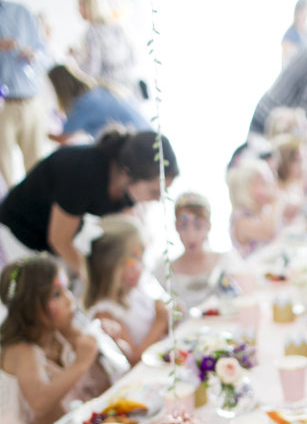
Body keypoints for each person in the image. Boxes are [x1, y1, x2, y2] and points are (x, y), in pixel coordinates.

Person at [0, 129, 178, 283]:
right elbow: (59, 240)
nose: (158, 199)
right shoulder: (82, 173)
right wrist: (95, 282)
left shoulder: (127, 189)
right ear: (127, 175)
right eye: (154, 192)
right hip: (19, 232)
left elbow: (129, 233)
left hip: (59, 234)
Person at [0, 255, 103, 424]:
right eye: (56, 294)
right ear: (31, 306)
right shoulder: (23, 350)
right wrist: (80, 363)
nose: (69, 299)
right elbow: (39, 403)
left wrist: (79, 339)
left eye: (66, 289)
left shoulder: (56, 335)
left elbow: (102, 386)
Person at [84, 216, 168, 365]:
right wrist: (160, 321)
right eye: (135, 257)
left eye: (142, 255)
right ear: (113, 267)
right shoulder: (105, 313)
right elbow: (133, 359)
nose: (141, 264)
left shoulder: (139, 289)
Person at [157, 192, 236, 314]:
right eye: (183, 226)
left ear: (208, 226)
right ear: (176, 227)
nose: (191, 235)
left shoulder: (226, 260)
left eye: (198, 226)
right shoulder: (164, 270)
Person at [0, 0, 50, 187]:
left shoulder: (21, 12)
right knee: (4, 170)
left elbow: (45, 54)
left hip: (30, 100)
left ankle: (36, 210)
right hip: (3, 106)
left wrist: (33, 55)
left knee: (36, 165)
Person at [47, 64, 150, 143]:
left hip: (134, 143)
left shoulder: (83, 103)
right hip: (150, 136)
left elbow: (63, 138)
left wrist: (43, 133)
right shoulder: (102, 89)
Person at [69, 0, 138, 98]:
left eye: (80, 7)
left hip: (109, 89)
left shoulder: (92, 33)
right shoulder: (116, 26)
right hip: (129, 86)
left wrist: (76, 58)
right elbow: (133, 58)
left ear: (89, 7)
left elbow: (92, 69)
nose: (78, 11)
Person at [226, 158, 285, 257]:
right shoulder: (240, 219)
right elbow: (267, 232)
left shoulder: (262, 211)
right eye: (264, 184)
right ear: (246, 191)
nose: (271, 187)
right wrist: (277, 202)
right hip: (252, 270)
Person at [281, 0, 307, 69]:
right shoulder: (289, 35)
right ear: (296, 13)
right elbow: (286, 63)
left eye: (306, 14)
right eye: (303, 14)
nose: (305, 18)